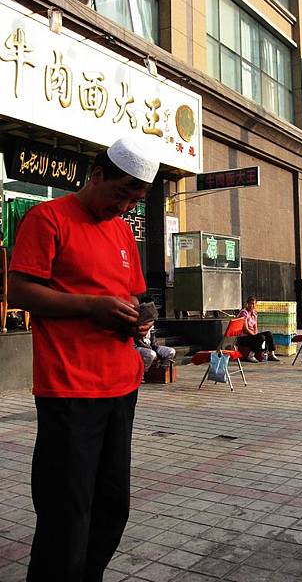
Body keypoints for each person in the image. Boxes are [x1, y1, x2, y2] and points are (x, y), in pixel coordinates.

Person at [8, 136, 160, 582]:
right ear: (97, 176)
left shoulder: (121, 231)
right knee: (66, 514)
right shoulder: (47, 218)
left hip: (121, 386)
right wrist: (92, 306)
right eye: (121, 194)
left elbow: (130, 295)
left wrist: (139, 320)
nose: (126, 207)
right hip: (70, 390)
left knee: (113, 508)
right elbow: (19, 291)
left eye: (136, 199)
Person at [135, 299, 176, 374]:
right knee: (151, 354)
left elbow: (153, 341)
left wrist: (156, 348)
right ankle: (142, 373)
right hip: (137, 348)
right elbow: (138, 341)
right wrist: (152, 350)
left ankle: (162, 370)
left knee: (171, 351)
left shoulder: (151, 325)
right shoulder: (137, 324)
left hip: (150, 347)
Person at [236, 296, 280, 362]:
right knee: (260, 337)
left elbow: (255, 327)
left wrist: (255, 334)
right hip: (243, 337)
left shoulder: (254, 313)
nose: (251, 306)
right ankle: (250, 355)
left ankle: (271, 354)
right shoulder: (244, 313)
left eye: (253, 304)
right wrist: (254, 335)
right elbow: (245, 329)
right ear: (247, 304)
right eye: (250, 304)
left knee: (268, 334)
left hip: (251, 335)